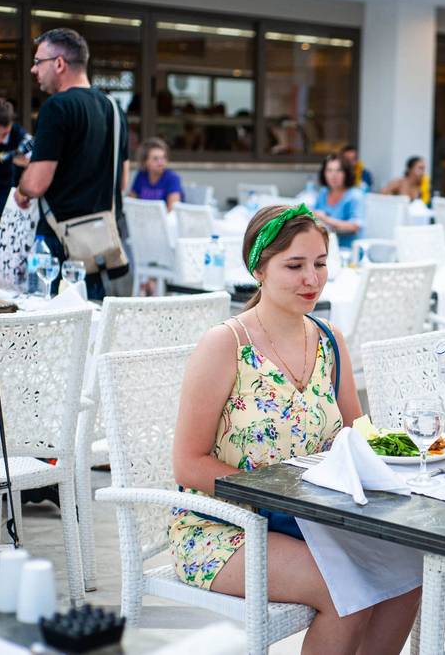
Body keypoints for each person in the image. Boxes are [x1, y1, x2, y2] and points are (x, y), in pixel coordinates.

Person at [171, 204, 420, 655]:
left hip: (311, 519)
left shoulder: (329, 340)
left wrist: (408, 450)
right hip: (224, 526)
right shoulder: (226, 344)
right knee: (346, 591)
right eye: (295, 265)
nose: (312, 279)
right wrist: (277, 494)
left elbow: (354, 435)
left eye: (320, 263)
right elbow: (188, 464)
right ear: (259, 270)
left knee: (408, 571)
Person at [15, 28, 129, 300]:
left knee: (52, 321)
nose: (33, 69)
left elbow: (36, 184)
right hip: (100, 249)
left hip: (59, 248)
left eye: (38, 61)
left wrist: (22, 189)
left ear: (59, 63)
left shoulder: (56, 107)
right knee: (92, 321)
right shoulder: (114, 108)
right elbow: (122, 181)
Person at [0, 98, 32, 235]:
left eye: (5, 134)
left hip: (3, 192)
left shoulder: (19, 134)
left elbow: (38, 159)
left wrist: (24, 188)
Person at [312, 154, 363, 249]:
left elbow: (355, 226)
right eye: (329, 170)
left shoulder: (354, 195)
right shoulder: (324, 192)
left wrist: (326, 219)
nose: (333, 175)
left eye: (339, 170)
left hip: (347, 250)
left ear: (346, 173)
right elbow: (314, 216)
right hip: (324, 247)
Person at [128, 137, 182, 211]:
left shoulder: (172, 178)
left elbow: (172, 210)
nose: (161, 162)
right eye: (155, 159)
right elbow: (130, 202)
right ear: (145, 162)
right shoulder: (141, 175)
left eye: (163, 158)